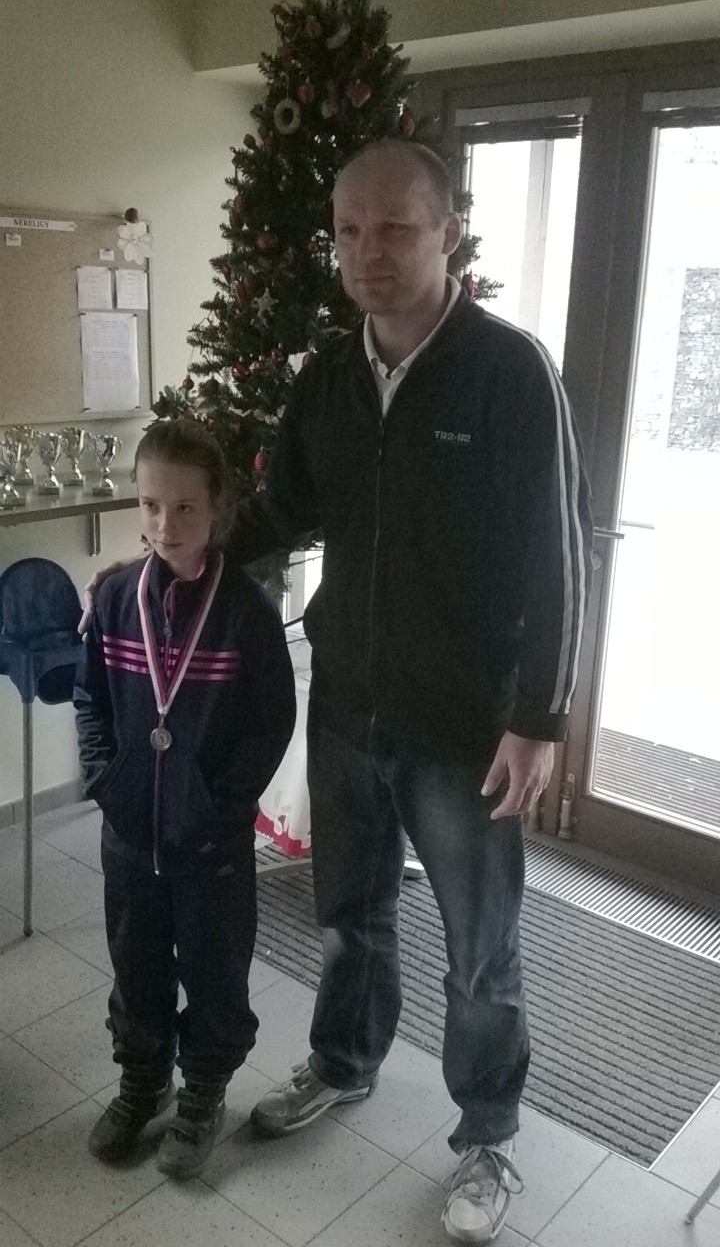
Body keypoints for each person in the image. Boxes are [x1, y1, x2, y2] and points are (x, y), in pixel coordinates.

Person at [81, 138, 592, 1241]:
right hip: (349, 707)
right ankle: (346, 1060)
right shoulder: (326, 375)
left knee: (479, 948)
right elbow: (282, 510)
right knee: (349, 917)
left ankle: (487, 1134)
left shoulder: (510, 373)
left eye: (395, 228)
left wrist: (538, 717)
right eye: (349, 231)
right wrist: (177, 555)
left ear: (448, 230)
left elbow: (558, 554)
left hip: (464, 727)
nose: (369, 252)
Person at [74, 418, 296, 1180]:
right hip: (130, 834)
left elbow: (270, 722)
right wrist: (107, 778)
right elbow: (91, 699)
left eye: (186, 508)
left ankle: (203, 1091)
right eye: (150, 506)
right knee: (135, 965)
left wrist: (222, 808)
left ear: (220, 506)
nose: (166, 526)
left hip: (211, 844)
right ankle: (143, 1082)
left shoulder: (247, 612)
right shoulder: (114, 601)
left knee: (214, 970)